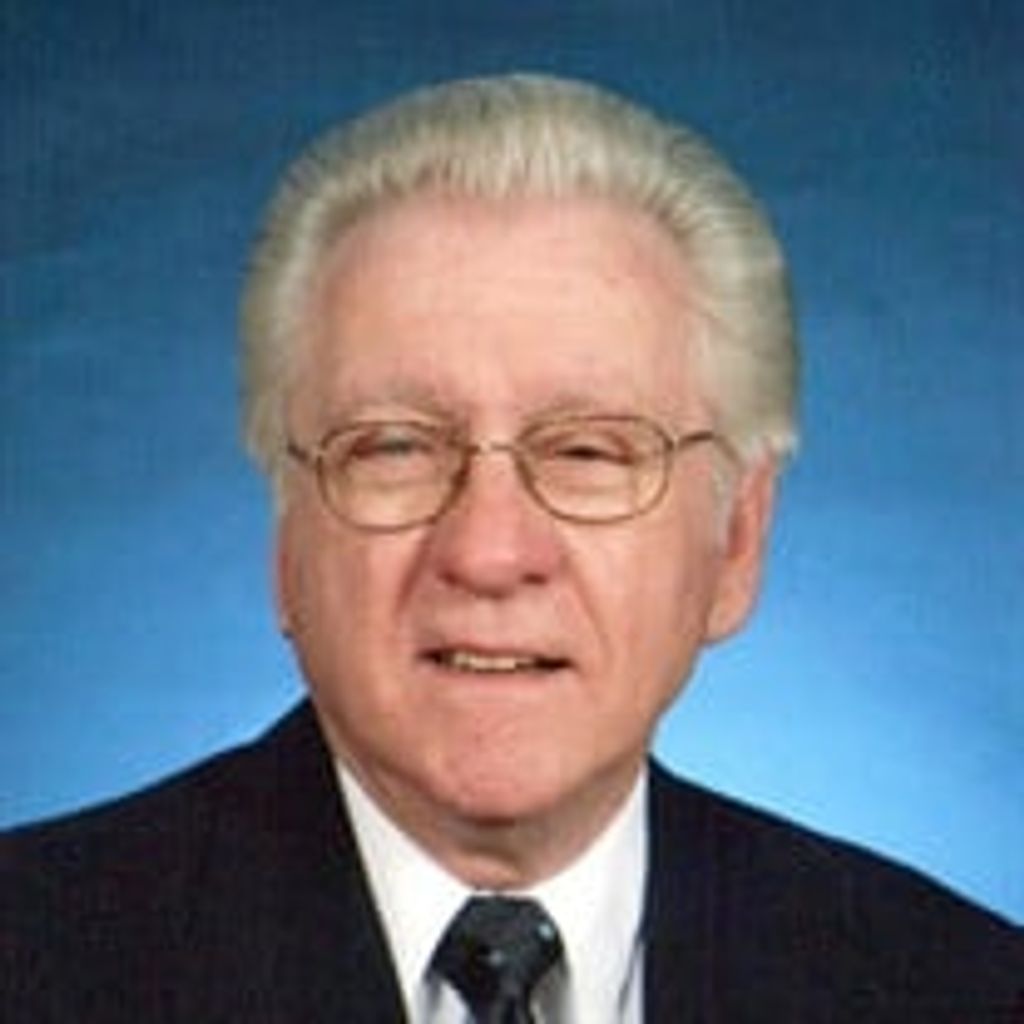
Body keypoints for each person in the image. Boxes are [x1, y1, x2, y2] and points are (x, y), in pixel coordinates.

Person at [2, 73, 1020, 1023]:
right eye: (395, 447)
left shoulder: (957, 988)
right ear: (287, 539)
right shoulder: (36, 955)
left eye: (588, 451)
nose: (489, 553)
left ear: (737, 544)